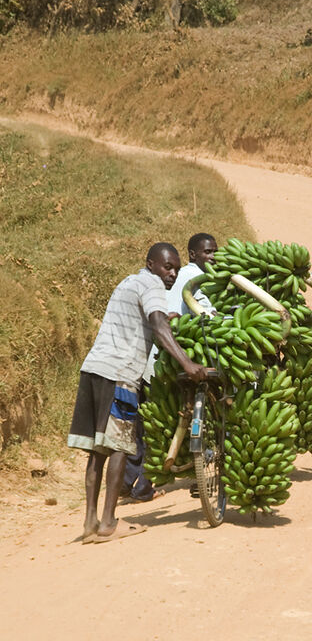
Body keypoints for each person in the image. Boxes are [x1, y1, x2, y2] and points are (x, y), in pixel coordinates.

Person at [67, 242, 207, 544]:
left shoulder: (129, 282)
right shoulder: (153, 285)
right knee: (120, 447)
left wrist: (167, 319)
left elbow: (143, 320)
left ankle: (91, 521)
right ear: (151, 264)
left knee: (97, 452)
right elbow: (157, 325)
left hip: (94, 369)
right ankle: (108, 523)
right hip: (120, 374)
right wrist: (187, 363)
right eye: (167, 267)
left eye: (176, 269)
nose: (172, 274)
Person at [120, 232, 219, 503]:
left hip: (146, 363)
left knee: (141, 425)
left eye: (215, 252)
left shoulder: (173, 278)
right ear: (193, 255)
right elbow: (186, 318)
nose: (213, 257)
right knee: (161, 424)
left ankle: (127, 483)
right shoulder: (191, 278)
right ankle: (144, 485)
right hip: (165, 362)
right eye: (208, 252)